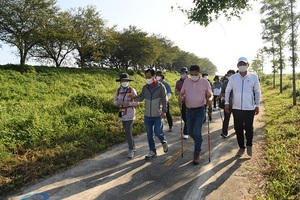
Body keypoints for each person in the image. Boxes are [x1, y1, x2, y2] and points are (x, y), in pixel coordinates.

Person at [225, 57, 261, 157]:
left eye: (244, 64)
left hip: (249, 108)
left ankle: (249, 145)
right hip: (236, 108)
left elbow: (257, 91)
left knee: (249, 128)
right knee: (238, 128)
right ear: (237, 65)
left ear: (248, 65)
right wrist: (227, 103)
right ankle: (241, 147)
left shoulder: (253, 77)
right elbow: (228, 91)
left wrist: (257, 105)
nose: (242, 66)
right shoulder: (233, 78)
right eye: (240, 64)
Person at [131, 69, 168, 160]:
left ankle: (163, 142)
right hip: (147, 115)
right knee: (149, 135)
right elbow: (141, 97)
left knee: (158, 132)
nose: (147, 79)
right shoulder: (145, 88)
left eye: (149, 77)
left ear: (154, 76)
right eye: (146, 77)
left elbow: (164, 100)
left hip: (157, 115)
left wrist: (164, 111)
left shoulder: (161, 87)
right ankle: (152, 151)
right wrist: (133, 97)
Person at [180, 65, 212, 165]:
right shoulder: (187, 81)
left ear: (199, 73)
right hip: (189, 110)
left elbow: (210, 95)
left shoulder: (205, 82)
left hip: (200, 110)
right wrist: (181, 98)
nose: (194, 76)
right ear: (189, 73)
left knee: (197, 131)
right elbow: (182, 93)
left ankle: (197, 153)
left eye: (196, 74)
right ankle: (199, 140)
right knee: (189, 131)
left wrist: (209, 100)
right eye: (192, 74)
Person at [113, 73, 139, 158]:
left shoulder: (132, 90)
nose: (124, 82)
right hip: (122, 113)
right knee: (127, 131)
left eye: (126, 80)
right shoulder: (118, 91)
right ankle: (133, 145)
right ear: (120, 81)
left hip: (130, 112)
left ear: (128, 81)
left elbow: (136, 102)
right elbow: (114, 101)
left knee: (127, 130)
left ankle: (131, 149)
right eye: (123, 80)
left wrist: (128, 103)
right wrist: (118, 103)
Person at [219, 70, 236, 138]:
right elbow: (222, 92)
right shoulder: (225, 83)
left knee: (236, 118)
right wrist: (219, 97)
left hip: (236, 103)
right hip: (227, 103)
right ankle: (224, 132)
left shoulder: (238, 82)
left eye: (231, 75)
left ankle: (237, 129)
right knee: (226, 118)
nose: (230, 76)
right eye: (228, 75)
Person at [175, 67, 189, 139]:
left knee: (187, 117)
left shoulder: (190, 81)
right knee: (183, 116)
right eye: (181, 73)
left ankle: (186, 132)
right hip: (181, 101)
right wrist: (180, 93)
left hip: (189, 101)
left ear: (187, 73)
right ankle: (189, 126)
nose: (182, 74)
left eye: (183, 73)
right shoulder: (178, 82)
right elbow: (176, 90)